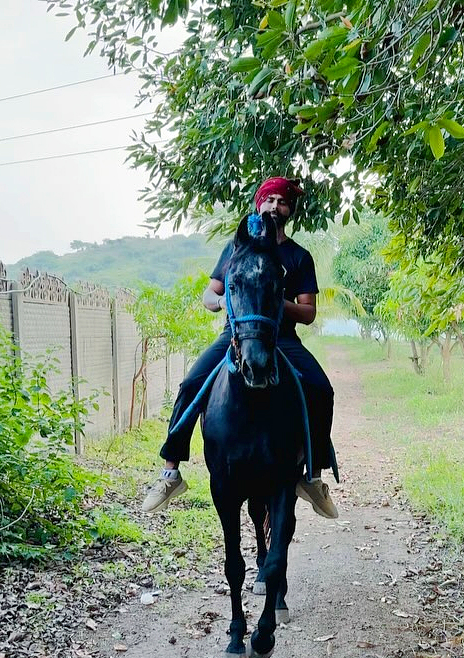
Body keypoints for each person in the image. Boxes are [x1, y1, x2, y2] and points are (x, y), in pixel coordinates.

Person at [142, 176, 338, 519]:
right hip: (234, 334)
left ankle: (313, 477)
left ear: (290, 210)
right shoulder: (235, 250)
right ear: (258, 205)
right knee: (190, 386)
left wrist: (276, 300)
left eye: (282, 201)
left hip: (282, 338)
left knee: (321, 389)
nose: (275, 206)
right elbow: (209, 294)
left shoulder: (298, 257)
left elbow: (307, 312)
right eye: (269, 200)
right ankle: (170, 472)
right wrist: (223, 301)